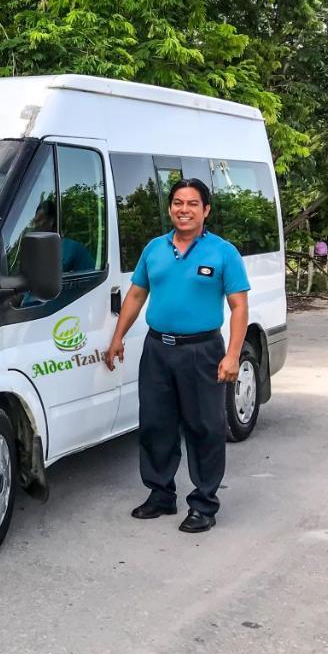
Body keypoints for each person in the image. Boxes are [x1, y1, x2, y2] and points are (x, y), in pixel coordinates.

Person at [104, 178, 250, 534]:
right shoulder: (154, 249)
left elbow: (239, 306)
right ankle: (160, 494)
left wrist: (232, 355)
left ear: (206, 210)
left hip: (202, 351)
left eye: (192, 204)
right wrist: (117, 337)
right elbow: (137, 295)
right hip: (158, 349)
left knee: (205, 427)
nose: (184, 210)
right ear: (170, 208)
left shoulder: (222, 252)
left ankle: (203, 503)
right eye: (178, 203)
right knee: (156, 424)